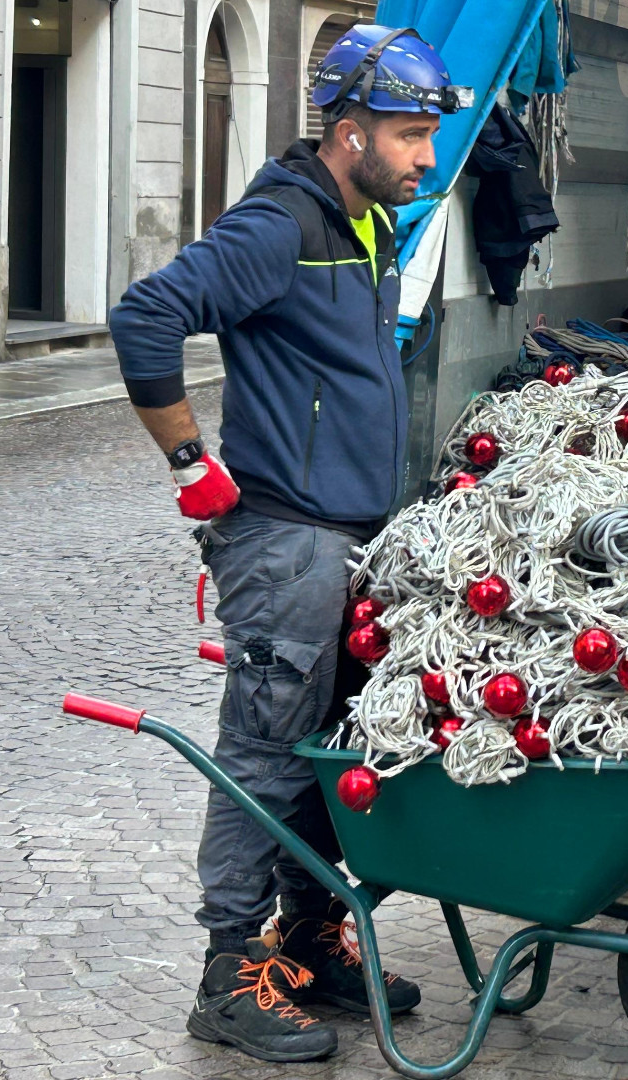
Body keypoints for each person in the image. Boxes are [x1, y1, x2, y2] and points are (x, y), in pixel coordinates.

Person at [108, 25, 468, 1063]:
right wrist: (189, 462)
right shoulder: (279, 223)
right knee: (265, 755)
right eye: (408, 136)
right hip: (284, 539)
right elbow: (146, 317)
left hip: (350, 538)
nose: (424, 156)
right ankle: (228, 975)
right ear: (349, 133)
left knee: (329, 754)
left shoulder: (363, 224)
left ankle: (309, 941)